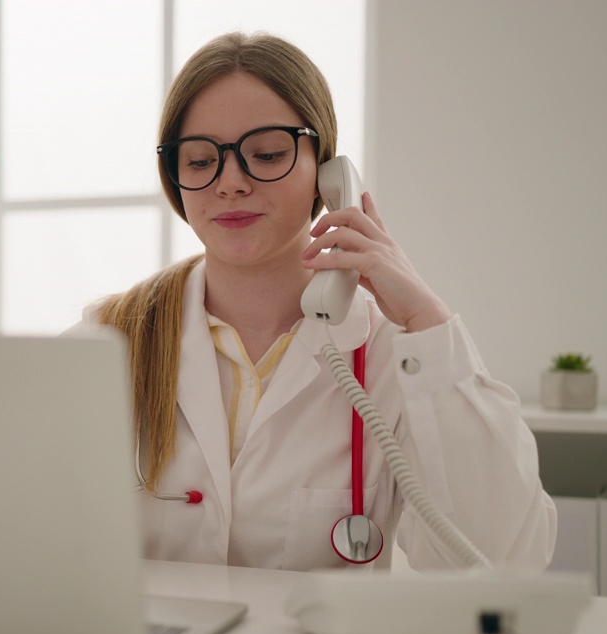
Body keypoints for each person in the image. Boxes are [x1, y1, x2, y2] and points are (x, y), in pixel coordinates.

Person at [77, 32, 556, 571]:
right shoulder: (106, 339)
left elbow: (504, 561)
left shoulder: (390, 355)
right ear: (175, 179)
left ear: (327, 175)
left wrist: (428, 322)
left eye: (267, 154)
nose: (230, 182)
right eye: (200, 160)